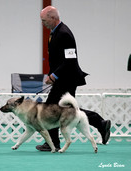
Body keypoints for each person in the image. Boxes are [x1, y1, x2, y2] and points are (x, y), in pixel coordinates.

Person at [36, 6, 111, 151]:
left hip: (67, 78)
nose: (42, 23)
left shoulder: (64, 33)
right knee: (67, 110)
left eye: (44, 20)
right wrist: (52, 74)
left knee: (51, 108)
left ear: (53, 17)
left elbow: (70, 60)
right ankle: (100, 123)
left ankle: (53, 143)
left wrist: (54, 75)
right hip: (62, 78)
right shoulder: (55, 32)